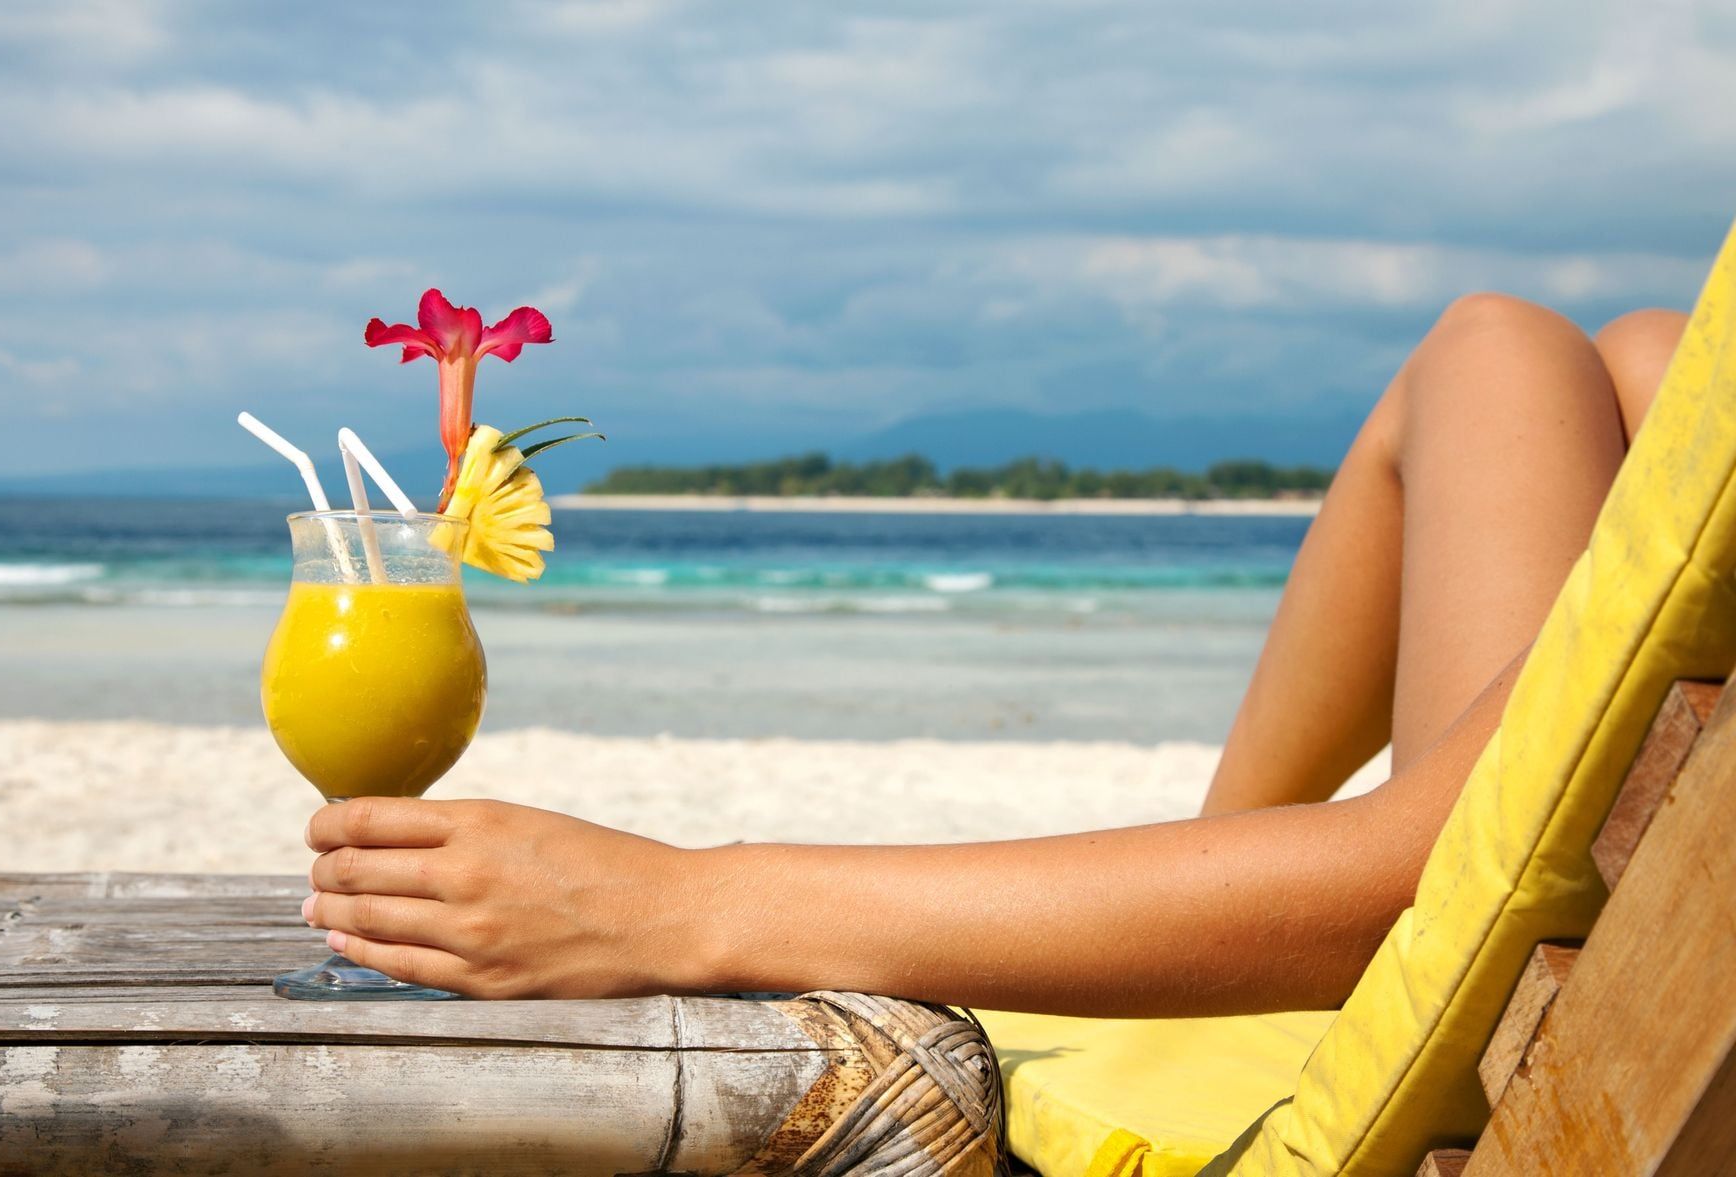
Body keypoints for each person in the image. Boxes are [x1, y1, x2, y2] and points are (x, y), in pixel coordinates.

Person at [297, 296, 1687, 1016]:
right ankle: (1225, 852)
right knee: (1573, 350)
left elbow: (1433, 882)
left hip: (1534, 988)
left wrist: (679, 905)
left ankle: (1221, 891)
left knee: (1523, 348)